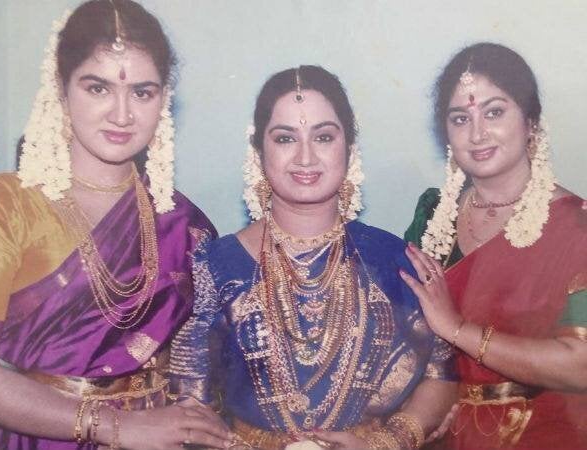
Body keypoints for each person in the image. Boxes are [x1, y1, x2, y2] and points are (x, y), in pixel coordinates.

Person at [169, 65, 458, 450]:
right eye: (286, 138)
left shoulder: (394, 261)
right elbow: (190, 399)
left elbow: (441, 374)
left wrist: (384, 443)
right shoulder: (215, 266)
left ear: (349, 148)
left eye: (323, 136)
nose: (306, 157)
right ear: (259, 152)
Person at [0, 1, 232, 448]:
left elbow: (196, 362)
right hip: (41, 436)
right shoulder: (5, 206)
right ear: (61, 90)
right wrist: (118, 427)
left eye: (142, 92)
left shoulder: (183, 222)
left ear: (164, 99)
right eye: (97, 88)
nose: (122, 114)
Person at [402, 42, 587, 449]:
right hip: (448, 435)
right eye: (460, 118)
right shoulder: (433, 217)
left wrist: (458, 330)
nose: (477, 132)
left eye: (494, 111)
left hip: (552, 433)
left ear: (531, 120)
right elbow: (410, 343)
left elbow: (581, 365)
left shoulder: (577, 227)